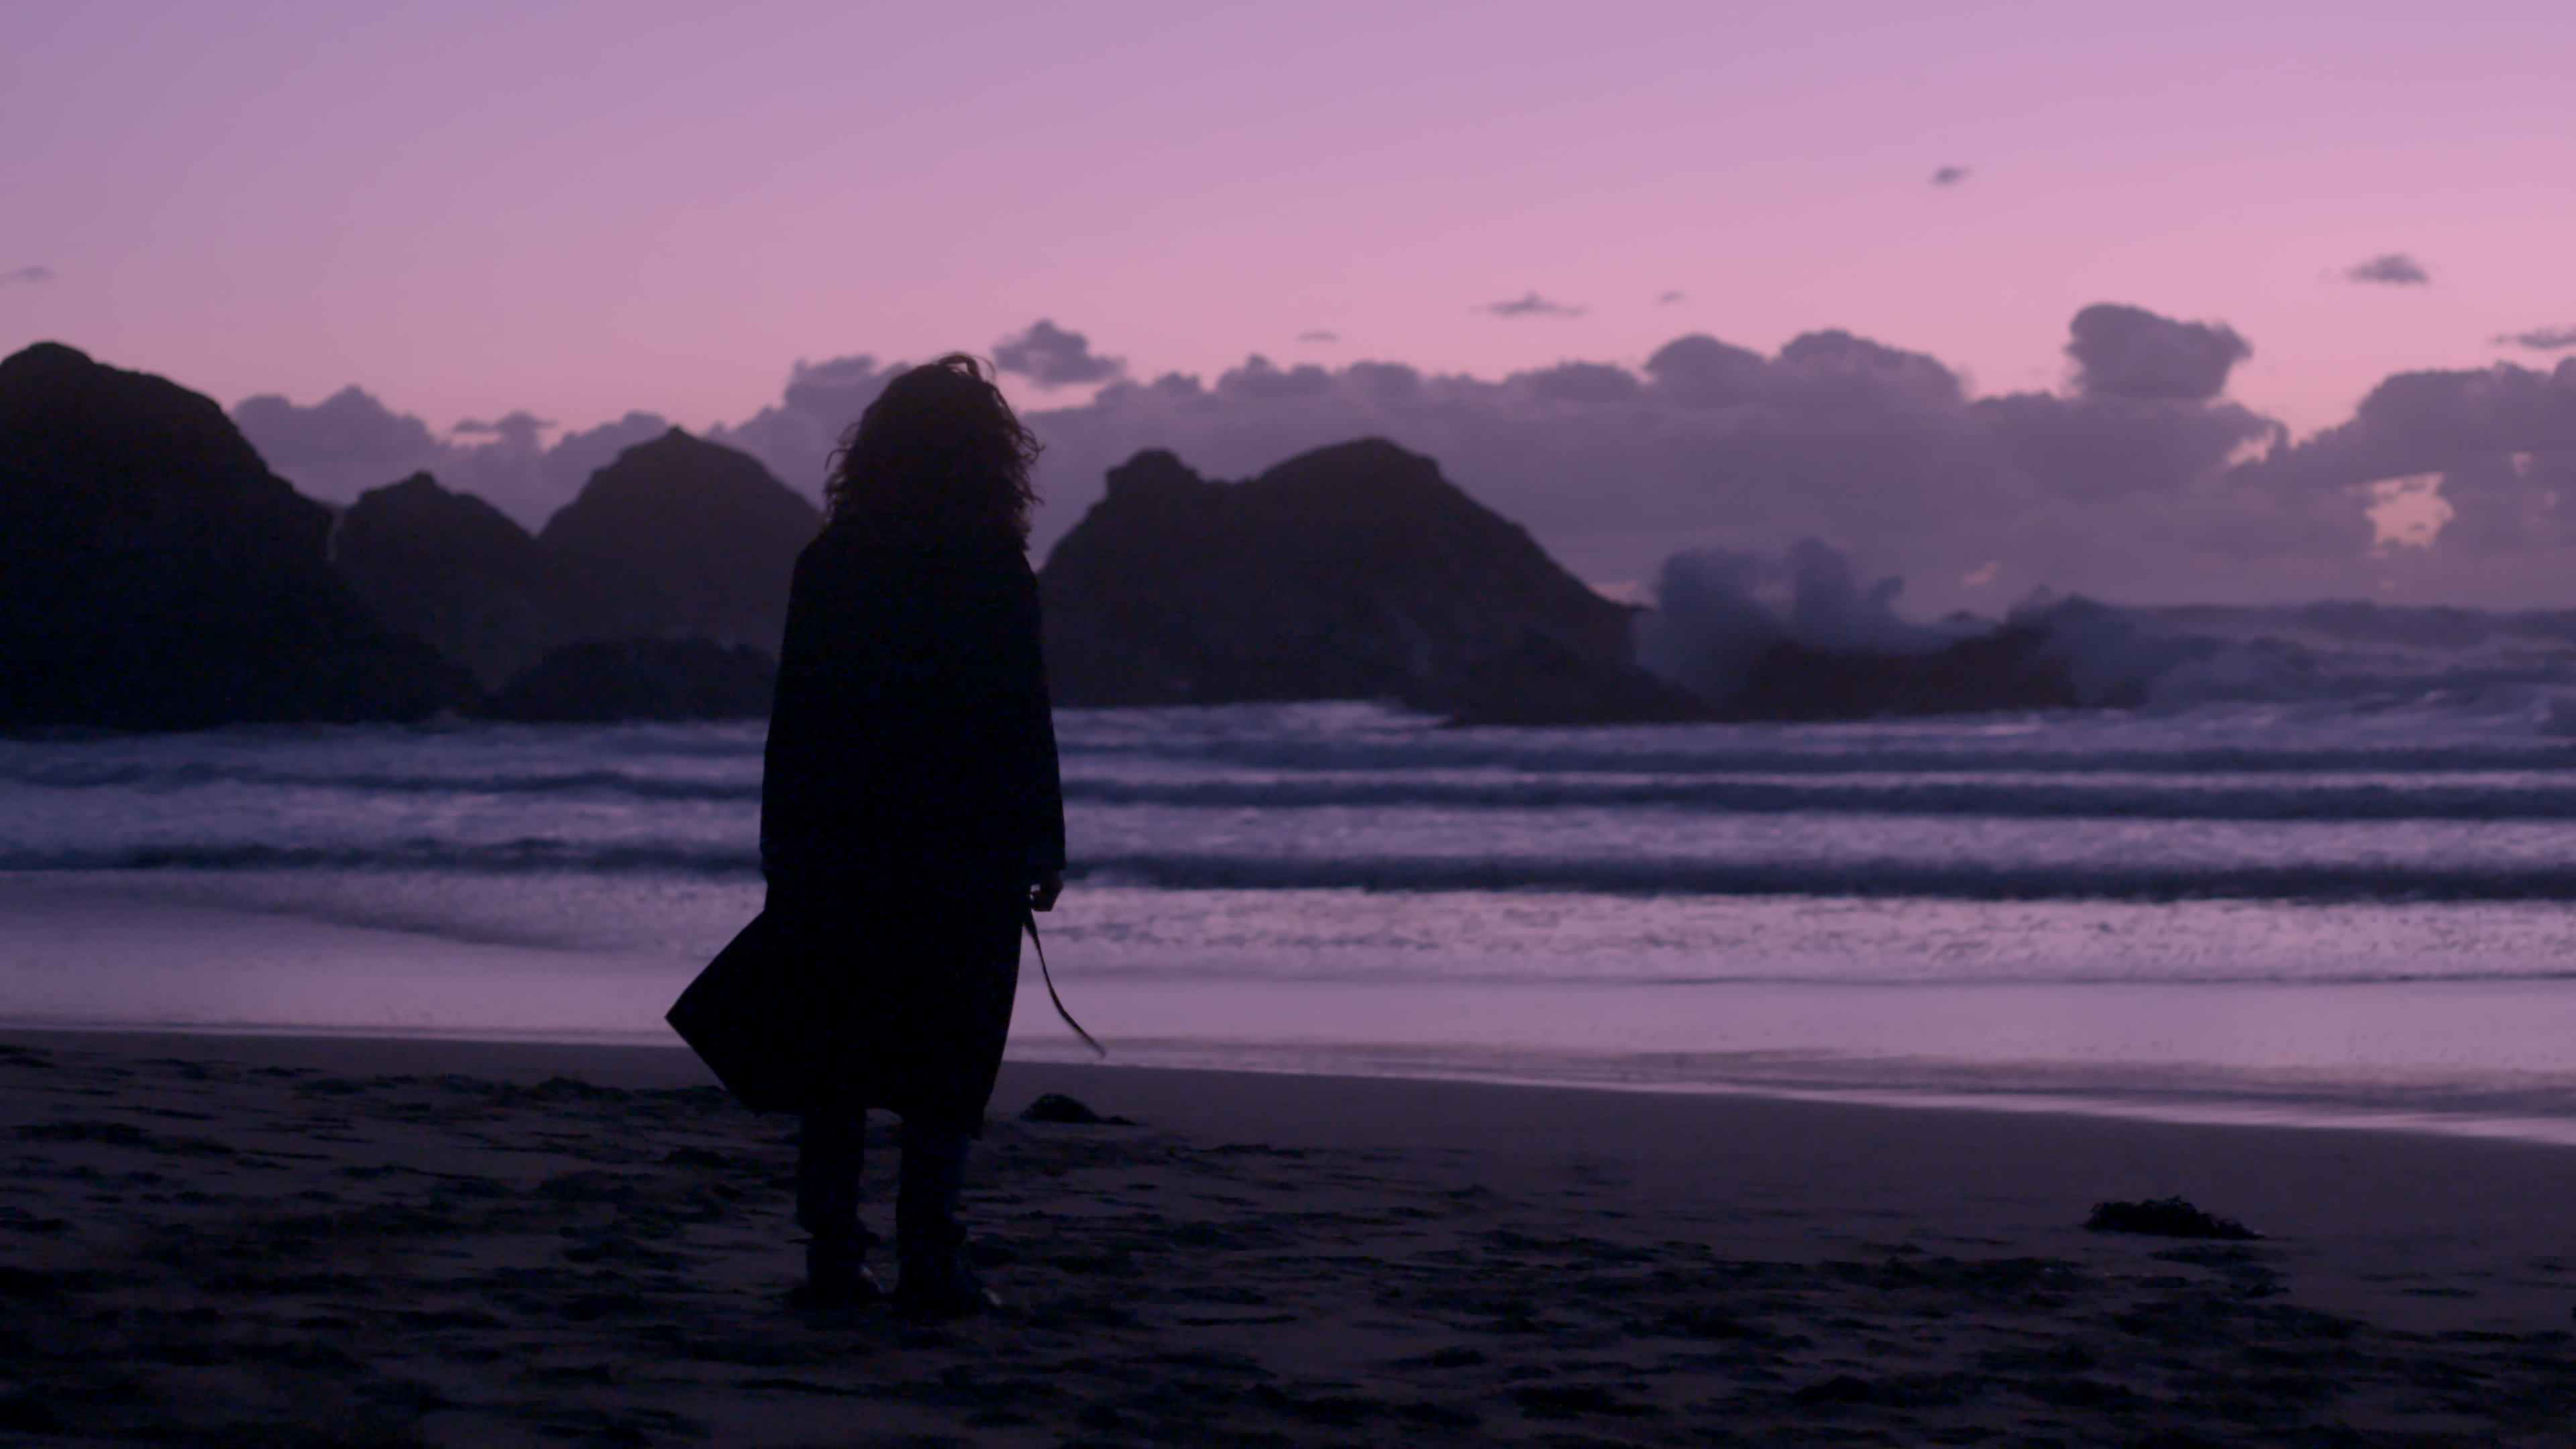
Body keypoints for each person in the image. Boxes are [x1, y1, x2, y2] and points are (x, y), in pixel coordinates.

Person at [758, 354, 1065, 1318]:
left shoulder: (831, 563)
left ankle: (833, 1260)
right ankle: (930, 1261)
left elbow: (795, 717)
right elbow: (1021, 715)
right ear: (989, 454)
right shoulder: (990, 565)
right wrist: (1043, 840)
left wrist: (782, 844)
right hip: (963, 842)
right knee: (947, 1057)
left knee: (837, 1061)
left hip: (842, 836)